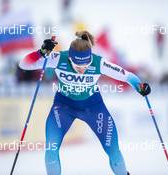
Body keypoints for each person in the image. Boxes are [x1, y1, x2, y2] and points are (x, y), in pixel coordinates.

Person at [19, 31, 151, 175]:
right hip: (64, 107)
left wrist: (140, 86)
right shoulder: (58, 58)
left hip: (93, 108)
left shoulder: (99, 62)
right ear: (70, 58)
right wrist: (41, 52)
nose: (82, 69)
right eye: (77, 65)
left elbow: (126, 76)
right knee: (51, 150)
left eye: (86, 65)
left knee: (114, 152)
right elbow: (24, 64)